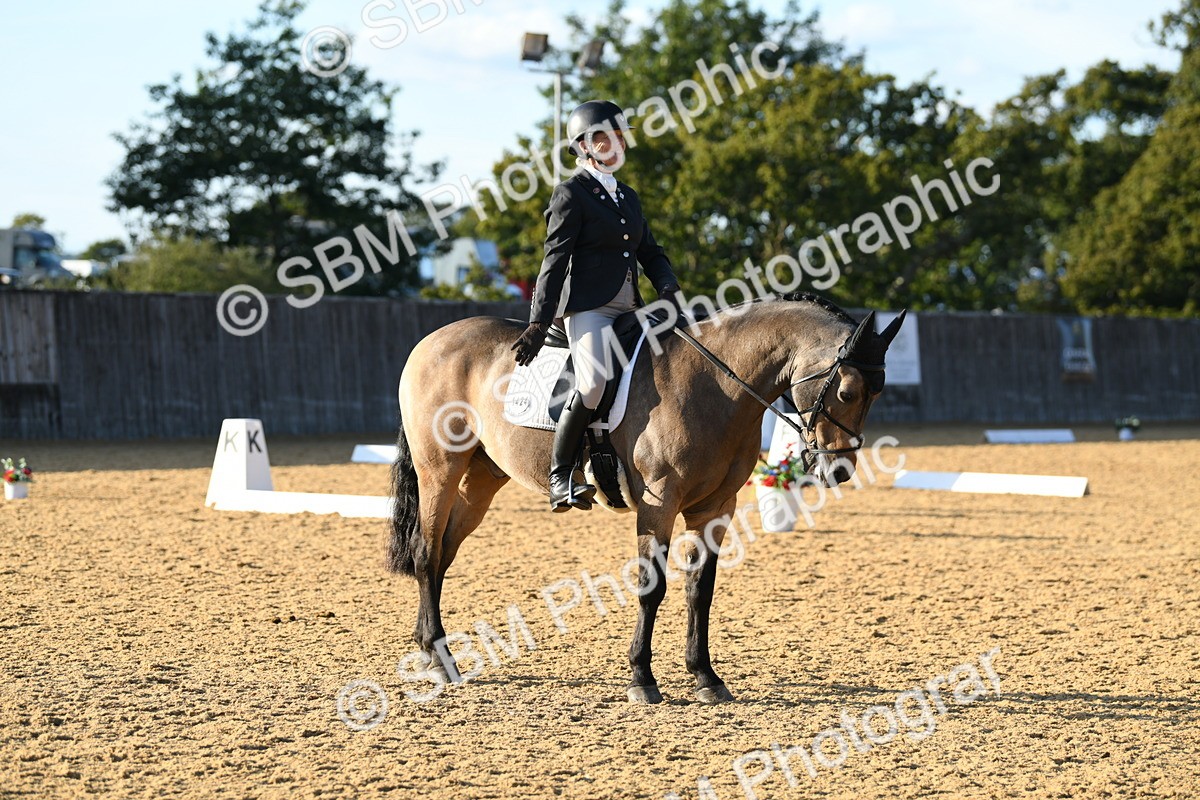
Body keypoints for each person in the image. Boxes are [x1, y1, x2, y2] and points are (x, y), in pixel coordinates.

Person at [511, 100, 684, 513]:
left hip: (631, 308)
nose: (615, 143)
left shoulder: (628, 196)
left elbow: (650, 251)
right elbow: (554, 261)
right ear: (586, 146)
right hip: (590, 308)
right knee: (592, 382)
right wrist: (538, 322)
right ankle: (560, 474)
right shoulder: (571, 193)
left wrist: (669, 285)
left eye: (619, 136)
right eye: (605, 136)